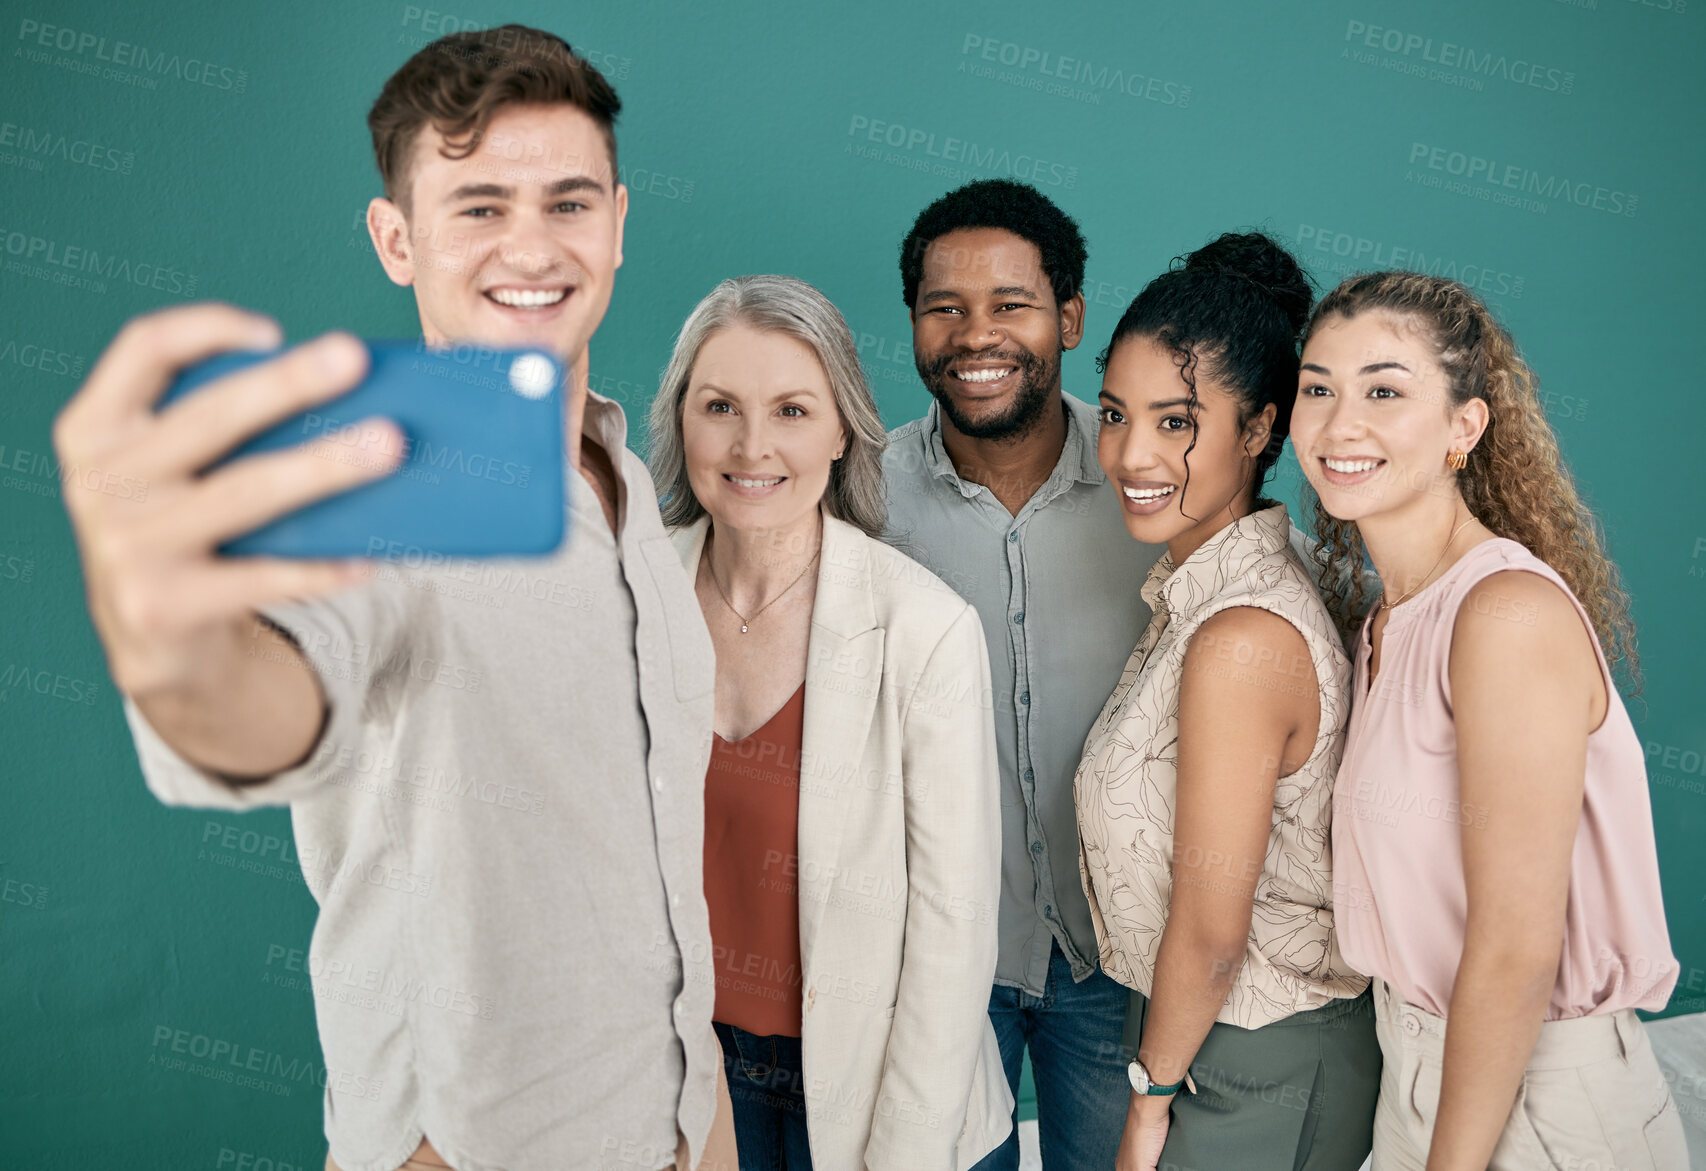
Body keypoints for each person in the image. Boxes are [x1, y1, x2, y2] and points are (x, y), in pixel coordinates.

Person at [53, 26, 734, 1171]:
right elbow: (275, 685)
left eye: (567, 202)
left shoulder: (626, 488)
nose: (531, 244)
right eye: (476, 206)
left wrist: (698, 1124)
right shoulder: (379, 489)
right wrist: (183, 650)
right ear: (396, 238)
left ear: (617, 222)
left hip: (670, 1121)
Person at [1291, 271, 1685, 1170]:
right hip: (1421, 1066)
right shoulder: (1387, 621)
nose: (1339, 423)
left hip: (1544, 1093)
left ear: (1465, 427)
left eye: (1385, 390)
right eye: (1320, 387)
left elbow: (1513, 948)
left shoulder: (1504, 614)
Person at [647, 274, 1012, 1170]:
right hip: (684, 1079)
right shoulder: (630, 602)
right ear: (680, 420)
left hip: (880, 1099)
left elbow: (952, 934)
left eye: (793, 410)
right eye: (720, 405)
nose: (751, 445)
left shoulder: (925, 631)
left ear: (845, 426)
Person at [1073, 233, 1379, 1171]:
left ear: (1256, 430)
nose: (1130, 453)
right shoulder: (1194, 599)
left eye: (1176, 422)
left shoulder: (1243, 636)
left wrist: (1147, 1104)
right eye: (1117, 413)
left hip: (1257, 1059)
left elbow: (1212, 929)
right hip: (1193, 1036)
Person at [881, 179, 1163, 1170]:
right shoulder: (853, 500)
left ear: (1068, 318)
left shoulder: (1159, 483)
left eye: (1010, 304)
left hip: (1119, 967)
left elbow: (1287, 607)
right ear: (913, 324)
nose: (975, 334)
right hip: (933, 968)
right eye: (943, 307)